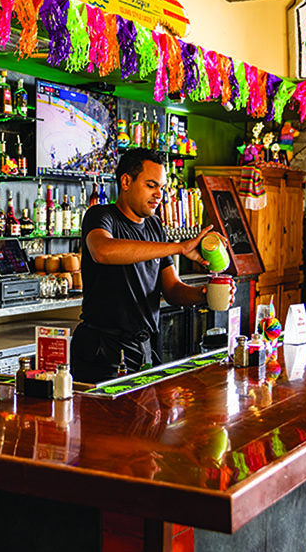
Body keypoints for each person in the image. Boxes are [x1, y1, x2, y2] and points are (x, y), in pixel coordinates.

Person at [70, 148, 231, 383]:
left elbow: (172, 290)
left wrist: (204, 295)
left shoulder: (155, 226)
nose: (159, 195)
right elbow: (103, 251)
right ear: (126, 181)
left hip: (144, 348)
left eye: (162, 187)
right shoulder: (101, 216)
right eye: (151, 185)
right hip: (102, 351)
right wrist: (178, 247)